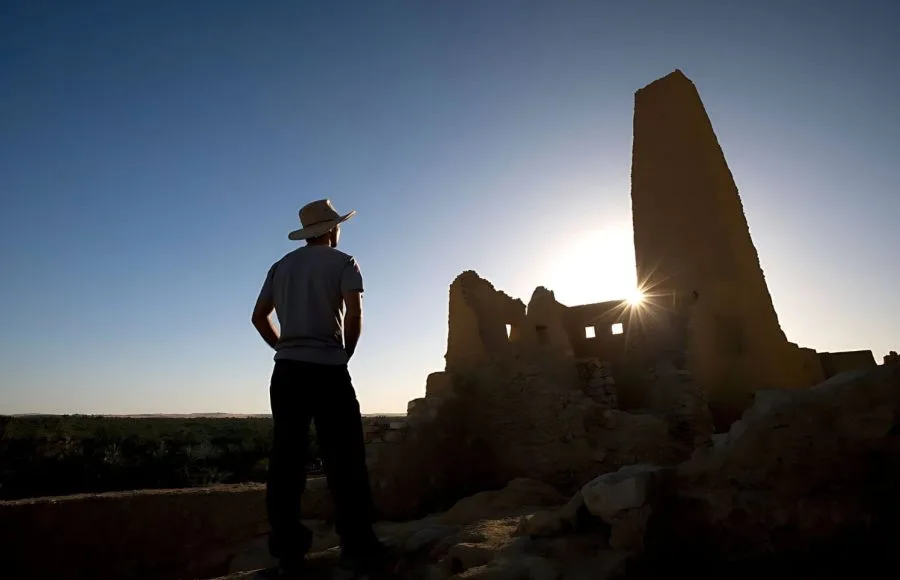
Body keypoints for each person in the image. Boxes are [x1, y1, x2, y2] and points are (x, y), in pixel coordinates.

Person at [251, 199, 389, 579]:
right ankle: (358, 546)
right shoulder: (344, 262)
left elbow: (258, 317)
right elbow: (355, 313)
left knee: (286, 460)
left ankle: (289, 553)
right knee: (345, 459)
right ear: (331, 229)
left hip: (287, 373)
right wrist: (346, 352)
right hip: (329, 369)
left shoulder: (281, 267)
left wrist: (283, 345)